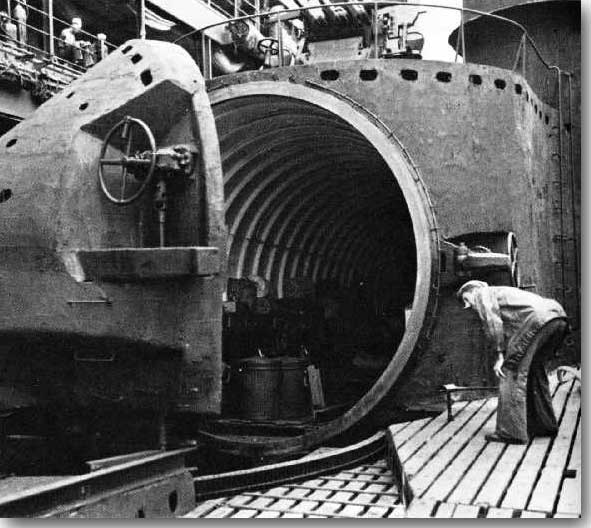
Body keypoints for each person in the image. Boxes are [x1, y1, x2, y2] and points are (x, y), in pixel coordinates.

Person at [457, 280, 569, 444]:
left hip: (537, 320)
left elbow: (493, 322)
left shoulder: (482, 294)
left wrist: (500, 355)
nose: (469, 306)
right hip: (557, 316)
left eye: (467, 300)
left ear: (470, 293)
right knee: (535, 372)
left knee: (510, 372)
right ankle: (544, 426)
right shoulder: (503, 292)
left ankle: (511, 432)